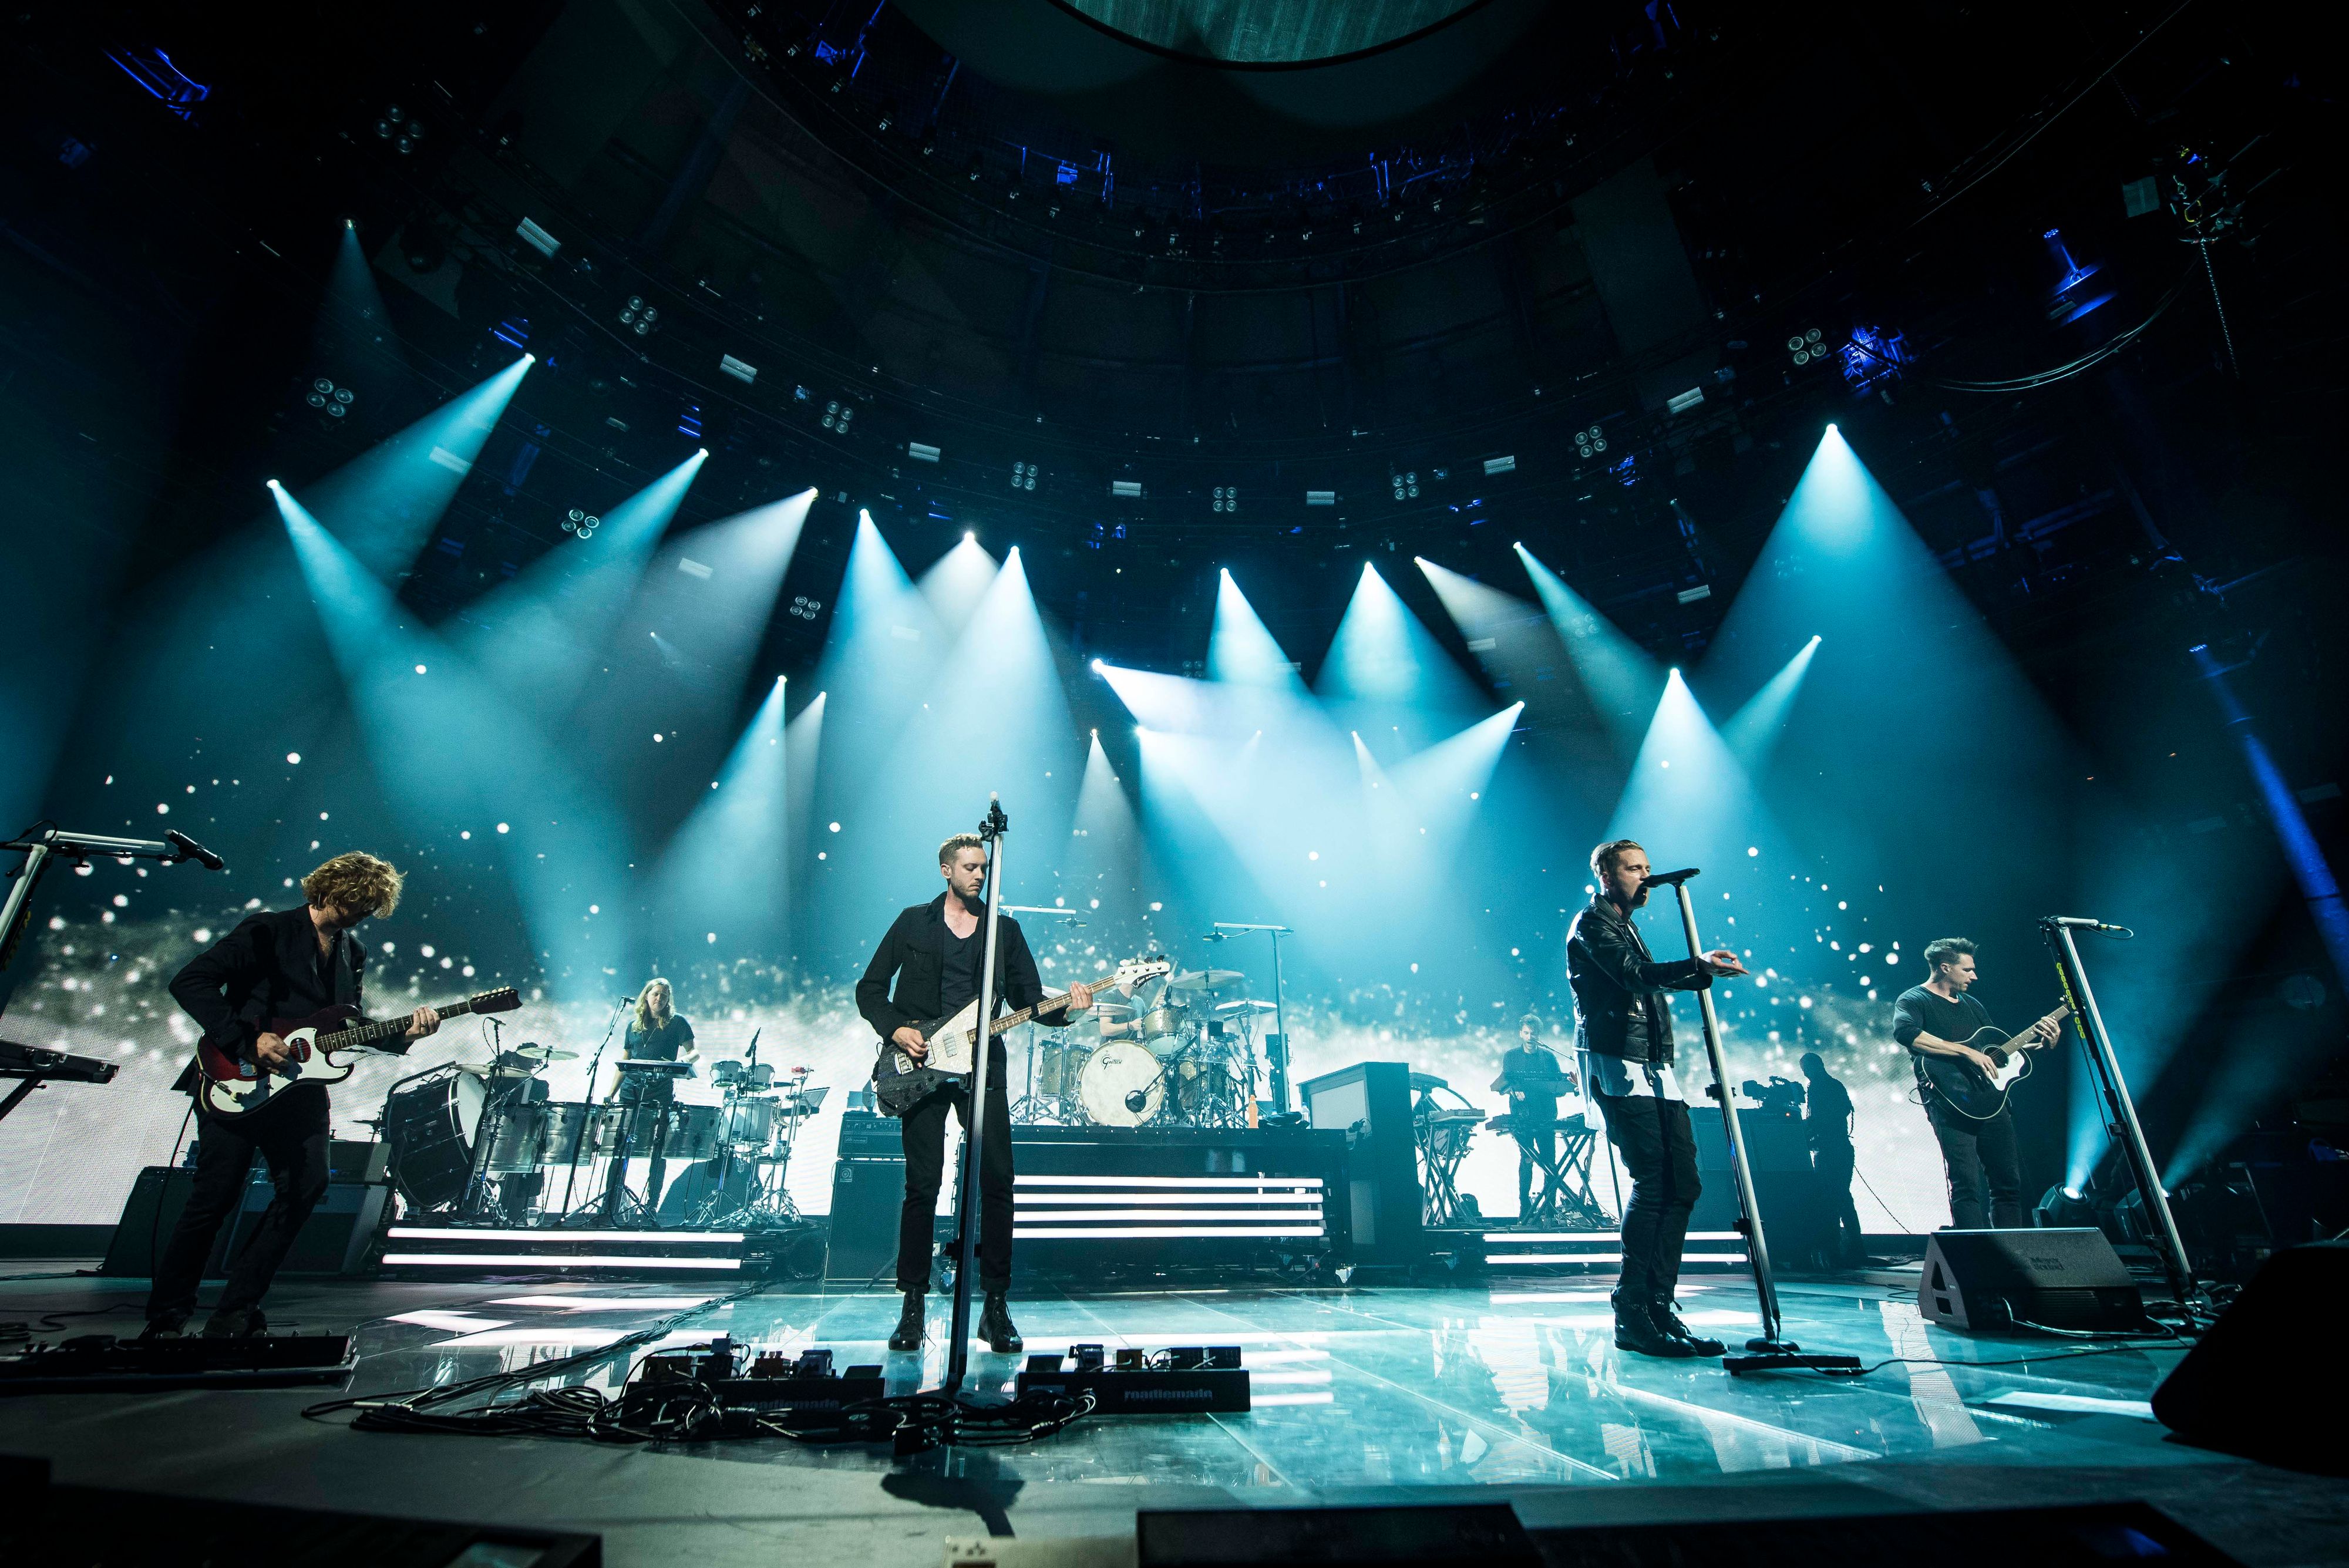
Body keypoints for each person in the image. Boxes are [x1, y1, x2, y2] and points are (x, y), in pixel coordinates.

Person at [149, 852, 440, 1338]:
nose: (359, 915)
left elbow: (345, 1027)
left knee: (307, 1187)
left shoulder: (353, 952)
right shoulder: (268, 930)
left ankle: (236, 1309)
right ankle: (166, 1317)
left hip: (301, 1090)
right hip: (236, 1078)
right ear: (326, 890)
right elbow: (190, 982)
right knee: (214, 1199)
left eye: (369, 909)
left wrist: (404, 1034)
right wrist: (247, 1038)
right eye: (353, 904)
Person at [856, 833, 1093, 1354]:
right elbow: (869, 989)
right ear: (946, 871)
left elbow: (1031, 1000)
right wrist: (896, 1030)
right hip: (920, 1067)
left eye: (983, 867)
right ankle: (912, 1306)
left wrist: (1072, 1007)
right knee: (922, 1185)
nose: (979, 875)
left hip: (983, 1065)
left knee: (998, 1182)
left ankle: (995, 1306)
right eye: (969, 867)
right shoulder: (912, 922)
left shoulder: (1003, 931)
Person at [1566, 839, 1747, 1359]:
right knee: (1654, 1179)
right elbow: (1631, 977)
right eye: (1632, 868)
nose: (1645, 877)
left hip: (1656, 1064)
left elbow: (1648, 983)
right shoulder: (1592, 925)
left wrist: (1704, 973)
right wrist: (1697, 964)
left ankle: (1659, 1305)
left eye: (1647, 867)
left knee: (1683, 1183)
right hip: (1618, 1059)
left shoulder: (1627, 926)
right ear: (1606, 875)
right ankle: (1632, 1309)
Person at [1892, 937, 2057, 1229]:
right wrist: (1967, 1051)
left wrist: (2040, 1046)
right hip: (1949, 1104)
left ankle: (2012, 1255)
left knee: (2008, 1184)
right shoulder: (1914, 1000)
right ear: (1945, 968)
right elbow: (1908, 1034)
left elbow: (1997, 1054)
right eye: (1967, 970)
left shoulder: (1973, 1004)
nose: (1974, 976)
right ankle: (1975, 1258)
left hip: (1992, 1102)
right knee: (1966, 1184)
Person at [604, 977, 696, 1213]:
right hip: (630, 1091)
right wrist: (610, 1093)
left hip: (660, 1092)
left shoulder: (677, 1023)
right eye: (656, 994)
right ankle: (610, 1202)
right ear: (647, 996)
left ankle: (651, 1205)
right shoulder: (633, 1026)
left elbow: (694, 1052)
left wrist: (684, 1062)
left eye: (664, 996)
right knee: (620, 1147)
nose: (659, 999)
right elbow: (624, 1062)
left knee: (658, 1148)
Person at [1490, 1014, 1577, 1222]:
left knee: (1550, 1163)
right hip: (1523, 1117)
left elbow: (1558, 1088)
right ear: (1521, 1033)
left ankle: (1550, 1209)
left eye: (1533, 1033)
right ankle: (1525, 1207)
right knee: (1527, 1159)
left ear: (1539, 1035)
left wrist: (1570, 1084)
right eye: (1526, 1033)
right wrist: (1513, 1089)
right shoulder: (1511, 1056)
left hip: (1546, 1116)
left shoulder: (1549, 1058)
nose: (1530, 1037)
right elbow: (1506, 1083)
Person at [1800, 1051, 1865, 1266]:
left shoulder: (1823, 1087)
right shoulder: (1829, 1086)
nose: (1806, 1073)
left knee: (1836, 1199)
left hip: (1832, 1151)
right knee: (1842, 1199)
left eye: (1807, 1068)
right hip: (1835, 1150)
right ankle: (1852, 1248)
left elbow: (1823, 1118)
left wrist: (1804, 1131)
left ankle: (1841, 1249)